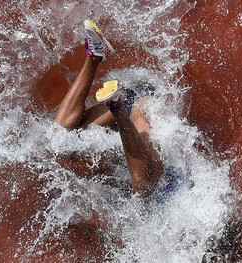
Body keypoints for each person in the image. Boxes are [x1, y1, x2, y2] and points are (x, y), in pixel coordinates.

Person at [54, 19, 164, 197]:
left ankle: (96, 57)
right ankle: (114, 101)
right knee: (144, 185)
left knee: (58, 137)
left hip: (129, 99)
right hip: (143, 100)